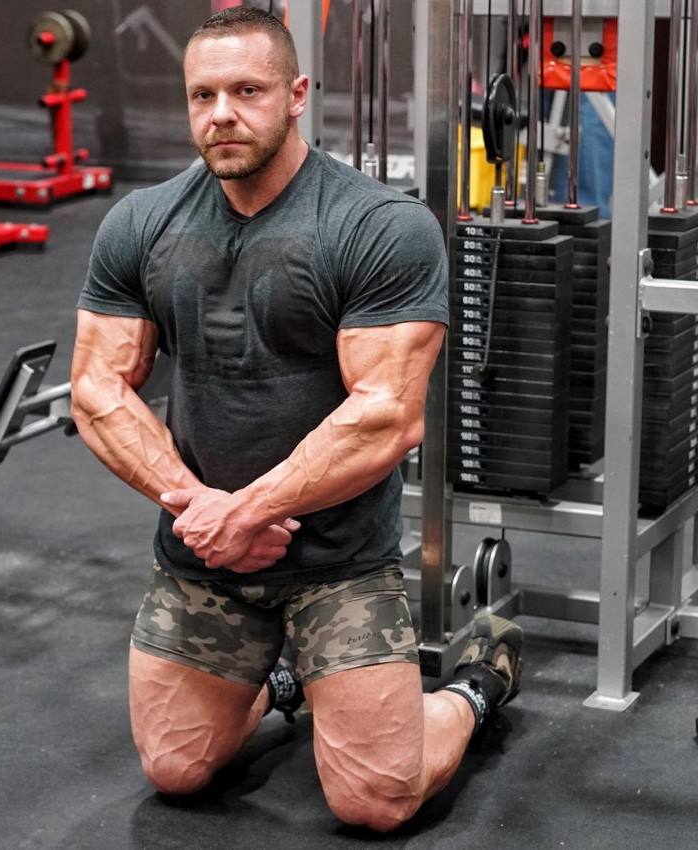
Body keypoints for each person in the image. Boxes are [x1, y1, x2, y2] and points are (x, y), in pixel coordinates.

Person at [71, 6, 522, 833]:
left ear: (298, 93)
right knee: (175, 771)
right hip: (204, 554)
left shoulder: (379, 227)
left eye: (247, 90)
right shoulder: (141, 223)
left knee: (374, 804)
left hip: (337, 562)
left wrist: (249, 510)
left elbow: (386, 417)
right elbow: (98, 390)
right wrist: (200, 510)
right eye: (203, 95)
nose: (222, 115)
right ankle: (283, 683)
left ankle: (472, 689)